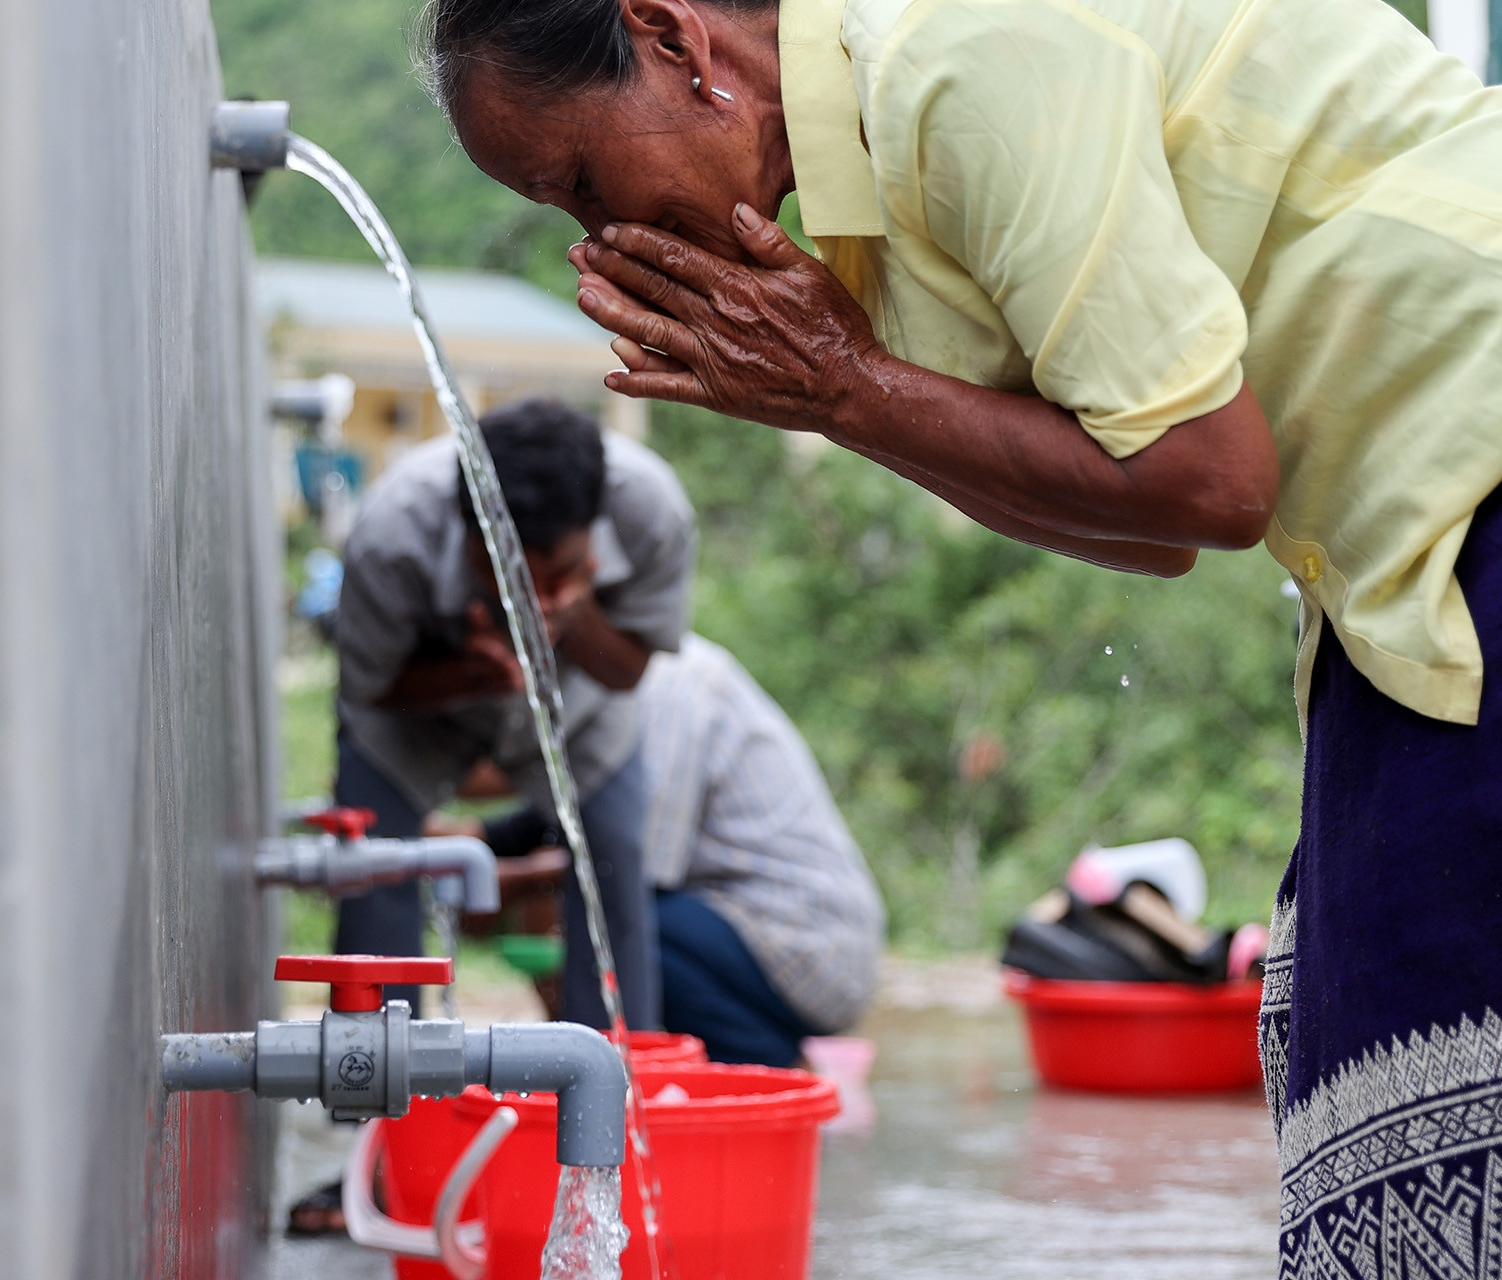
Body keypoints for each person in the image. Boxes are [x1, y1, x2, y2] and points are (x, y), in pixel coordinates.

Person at [415, 0, 1502, 1269]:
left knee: (1418, 1037)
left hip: (1465, 458)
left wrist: (846, 387)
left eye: (584, 181)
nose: (599, 240)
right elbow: (1150, 522)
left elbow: (1207, 479)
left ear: (672, 39)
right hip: (1407, 533)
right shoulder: (875, 170)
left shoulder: (947, 56)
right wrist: (844, 397)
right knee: (1360, 1033)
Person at [331, 394, 694, 1028]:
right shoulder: (394, 533)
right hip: (416, 714)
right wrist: (466, 677)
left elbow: (627, 671)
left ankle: (614, 1086)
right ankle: (375, 1096)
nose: (529, 600)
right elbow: (370, 687)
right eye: (507, 577)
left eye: (553, 574)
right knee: (374, 869)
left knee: (613, 868)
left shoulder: (650, 512)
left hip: (580, 712)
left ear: (591, 540)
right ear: (470, 536)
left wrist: (576, 614)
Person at [462, 634, 886, 1066]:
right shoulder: (607, 690)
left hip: (806, 943)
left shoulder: (670, 685)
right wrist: (466, 837)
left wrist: (513, 884)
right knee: (593, 909)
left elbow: (625, 862)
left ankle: (754, 1069)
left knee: (610, 924)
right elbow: (563, 813)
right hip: (741, 930)